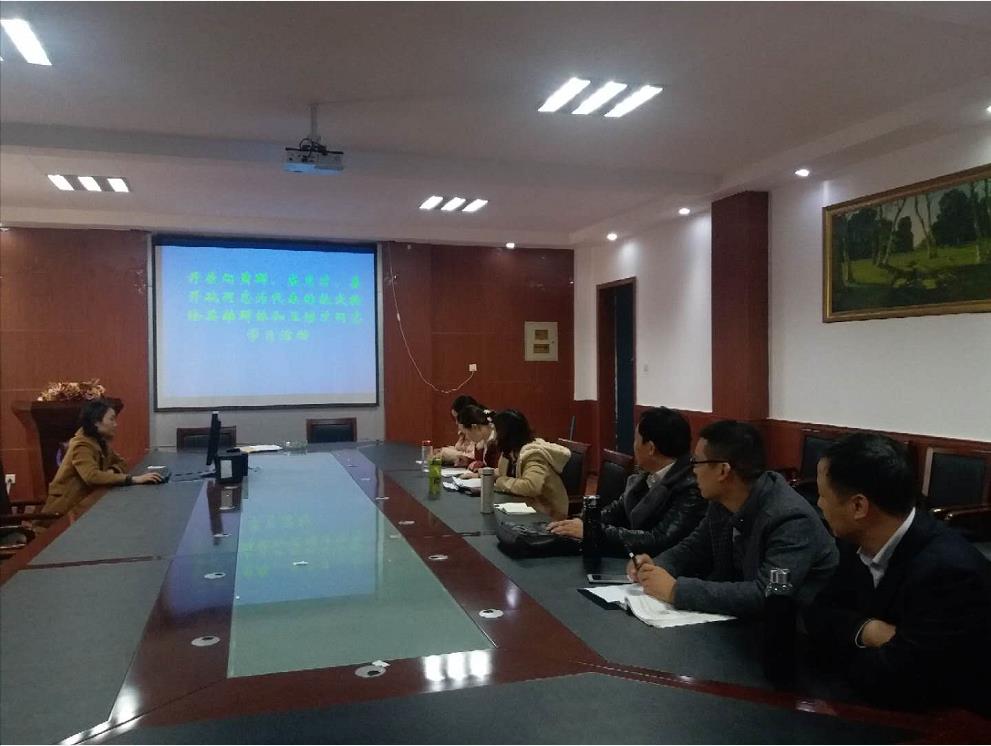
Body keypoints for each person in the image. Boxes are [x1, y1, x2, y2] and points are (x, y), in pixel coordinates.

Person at [804, 433, 991, 712]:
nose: (819, 504)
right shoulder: (855, 541)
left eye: (822, 495)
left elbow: (898, 681)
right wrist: (869, 631)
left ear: (858, 506)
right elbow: (818, 615)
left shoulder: (948, 572)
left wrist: (841, 643)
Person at [628, 420, 838, 618]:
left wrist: (676, 591)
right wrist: (656, 566)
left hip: (795, 632)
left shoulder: (790, 519)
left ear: (723, 470)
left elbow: (768, 594)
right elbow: (694, 548)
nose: (693, 470)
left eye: (697, 462)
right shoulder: (722, 501)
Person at [547, 407, 706, 555]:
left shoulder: (692, 487)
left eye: (636, 440)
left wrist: (593, 531)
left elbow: (659, 540)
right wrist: (582, 523)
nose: (633, 446)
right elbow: (617, 510)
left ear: (651, 448)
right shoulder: (645, 475)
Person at [43, 398, 163, 514]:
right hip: (65, 512)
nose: (115, 424)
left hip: (87, 504)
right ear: (96, 422)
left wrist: (111, 471)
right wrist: (132, 479)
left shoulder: (100, 441)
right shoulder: (81, 445)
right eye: (111, 419)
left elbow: (122, 462)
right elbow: (91, 476)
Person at [492, 409, 571, 521]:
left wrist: (500, 480)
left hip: (549, 513)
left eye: (495, 431)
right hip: (526, 505)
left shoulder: (533, 455)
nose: (494, 436)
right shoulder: (511, 451)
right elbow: (506, 474)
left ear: (505, 433)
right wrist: (489, 474)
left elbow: (531, 486)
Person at [435, 395, 481, 467]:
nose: (456, 423)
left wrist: (452, 455)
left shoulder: (478, 431)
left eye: (458, 418)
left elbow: (475, 458)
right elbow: (462, 449)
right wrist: (445, 450)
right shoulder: (463, 431)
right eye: (454, 419)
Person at [456, 404, 500, 473]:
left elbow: (499, 471)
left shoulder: (497, 441)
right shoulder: (482, 442)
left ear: (474, 427)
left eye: (467, 433)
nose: (467, 437)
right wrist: (468, 461)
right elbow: (482, 464)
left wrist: (479, 472)